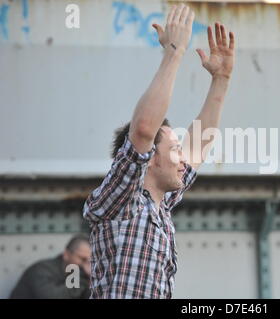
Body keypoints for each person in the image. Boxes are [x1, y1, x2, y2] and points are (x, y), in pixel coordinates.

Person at [82, 4, 235, 299]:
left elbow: (199, 145)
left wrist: (221, 79)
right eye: (175, 149)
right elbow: (142, 130)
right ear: (149, 158)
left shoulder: (160, 205)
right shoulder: (123, 198)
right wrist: (175, 51)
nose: (183, 158)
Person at [9, 234, 91, 299]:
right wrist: (84, 279)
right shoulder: (41, 270)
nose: (87, 264)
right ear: (66, 254)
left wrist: (92, 279)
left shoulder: (78, 275)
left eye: (90, 260)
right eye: (82, 259)